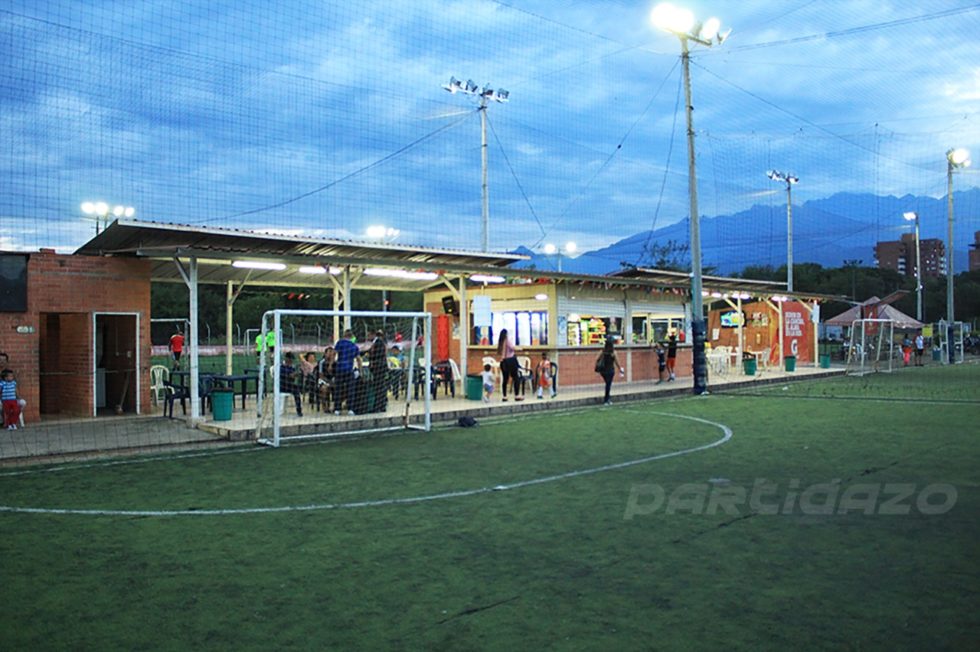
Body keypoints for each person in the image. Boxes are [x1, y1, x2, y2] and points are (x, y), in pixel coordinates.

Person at [333, 329, 361, 415]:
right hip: (349, 369)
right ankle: (350, 409)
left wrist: (331, 364)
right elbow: (359, 359)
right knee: (350, 390)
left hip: (340, 369)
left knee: (338, 389)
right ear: (351, 336)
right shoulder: (354, 346)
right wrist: (360, 370)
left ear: (344, 335)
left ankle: (337, 409)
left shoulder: (340, 343)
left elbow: (334, 353)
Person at [497, 328, 523, 402]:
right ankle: (517, 395)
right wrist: (520, 348)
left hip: (503, 362)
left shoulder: (500, 342)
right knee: (516, 377)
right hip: (510, 361)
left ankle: (504, 396)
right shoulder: (507, 341)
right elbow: (513, 348)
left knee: (505, 379)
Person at [595, 339, 624, 406]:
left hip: (603, 370)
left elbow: (597, 359)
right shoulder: (613, 352)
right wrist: (620, 369)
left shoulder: (602, 351)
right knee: (608, 385)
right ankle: (607, 399)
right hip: (610, 370)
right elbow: (617, 362)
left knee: (607, 384)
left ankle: (607, 398)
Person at [278, 352, 303, 417]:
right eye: (290, 360)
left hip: (289, 385)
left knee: (296, 390)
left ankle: (299, 410)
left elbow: (292, 379)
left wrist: (295, 375)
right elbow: (283, 376)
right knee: (295, 388)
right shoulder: (281, 367)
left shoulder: (292, 367)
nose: (291, 361)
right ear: (287, 359)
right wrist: (290, 375)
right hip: (282, 386)